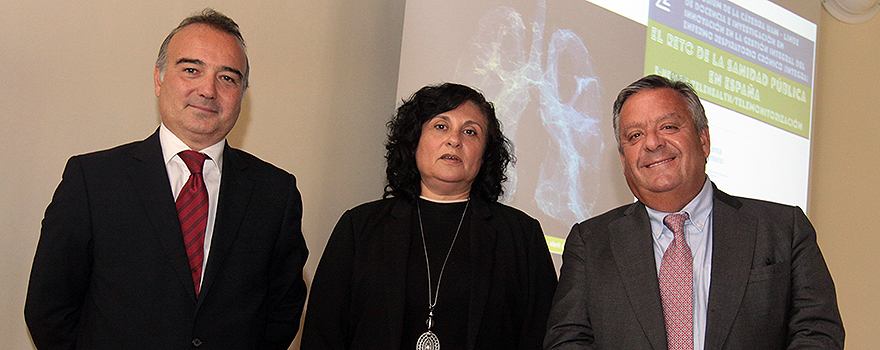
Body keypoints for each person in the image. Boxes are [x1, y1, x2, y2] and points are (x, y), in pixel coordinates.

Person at [24, 9, 308, 350]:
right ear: (159, 79)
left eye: (227, 78)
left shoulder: (275, 194)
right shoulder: (92, 181)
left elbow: (283, 310)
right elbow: (49, 309)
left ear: (243, 94)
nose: (208, 90)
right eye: (191, 70)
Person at [544, 74, 844, 349]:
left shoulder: (783, 228)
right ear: (624, 161)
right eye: (634, 136)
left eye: (668, 127)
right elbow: (568, 341)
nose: (652, 143)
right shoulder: (591, 242)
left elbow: (817, 332)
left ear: (704, 140)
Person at [301, 82, 557, 350]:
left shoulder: (521, 236)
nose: (455, 140)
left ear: (485, 154)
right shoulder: (359, 228)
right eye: (441, 126)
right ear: (414, 141)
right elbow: (323, 334)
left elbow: (541, 337)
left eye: (470, 132)